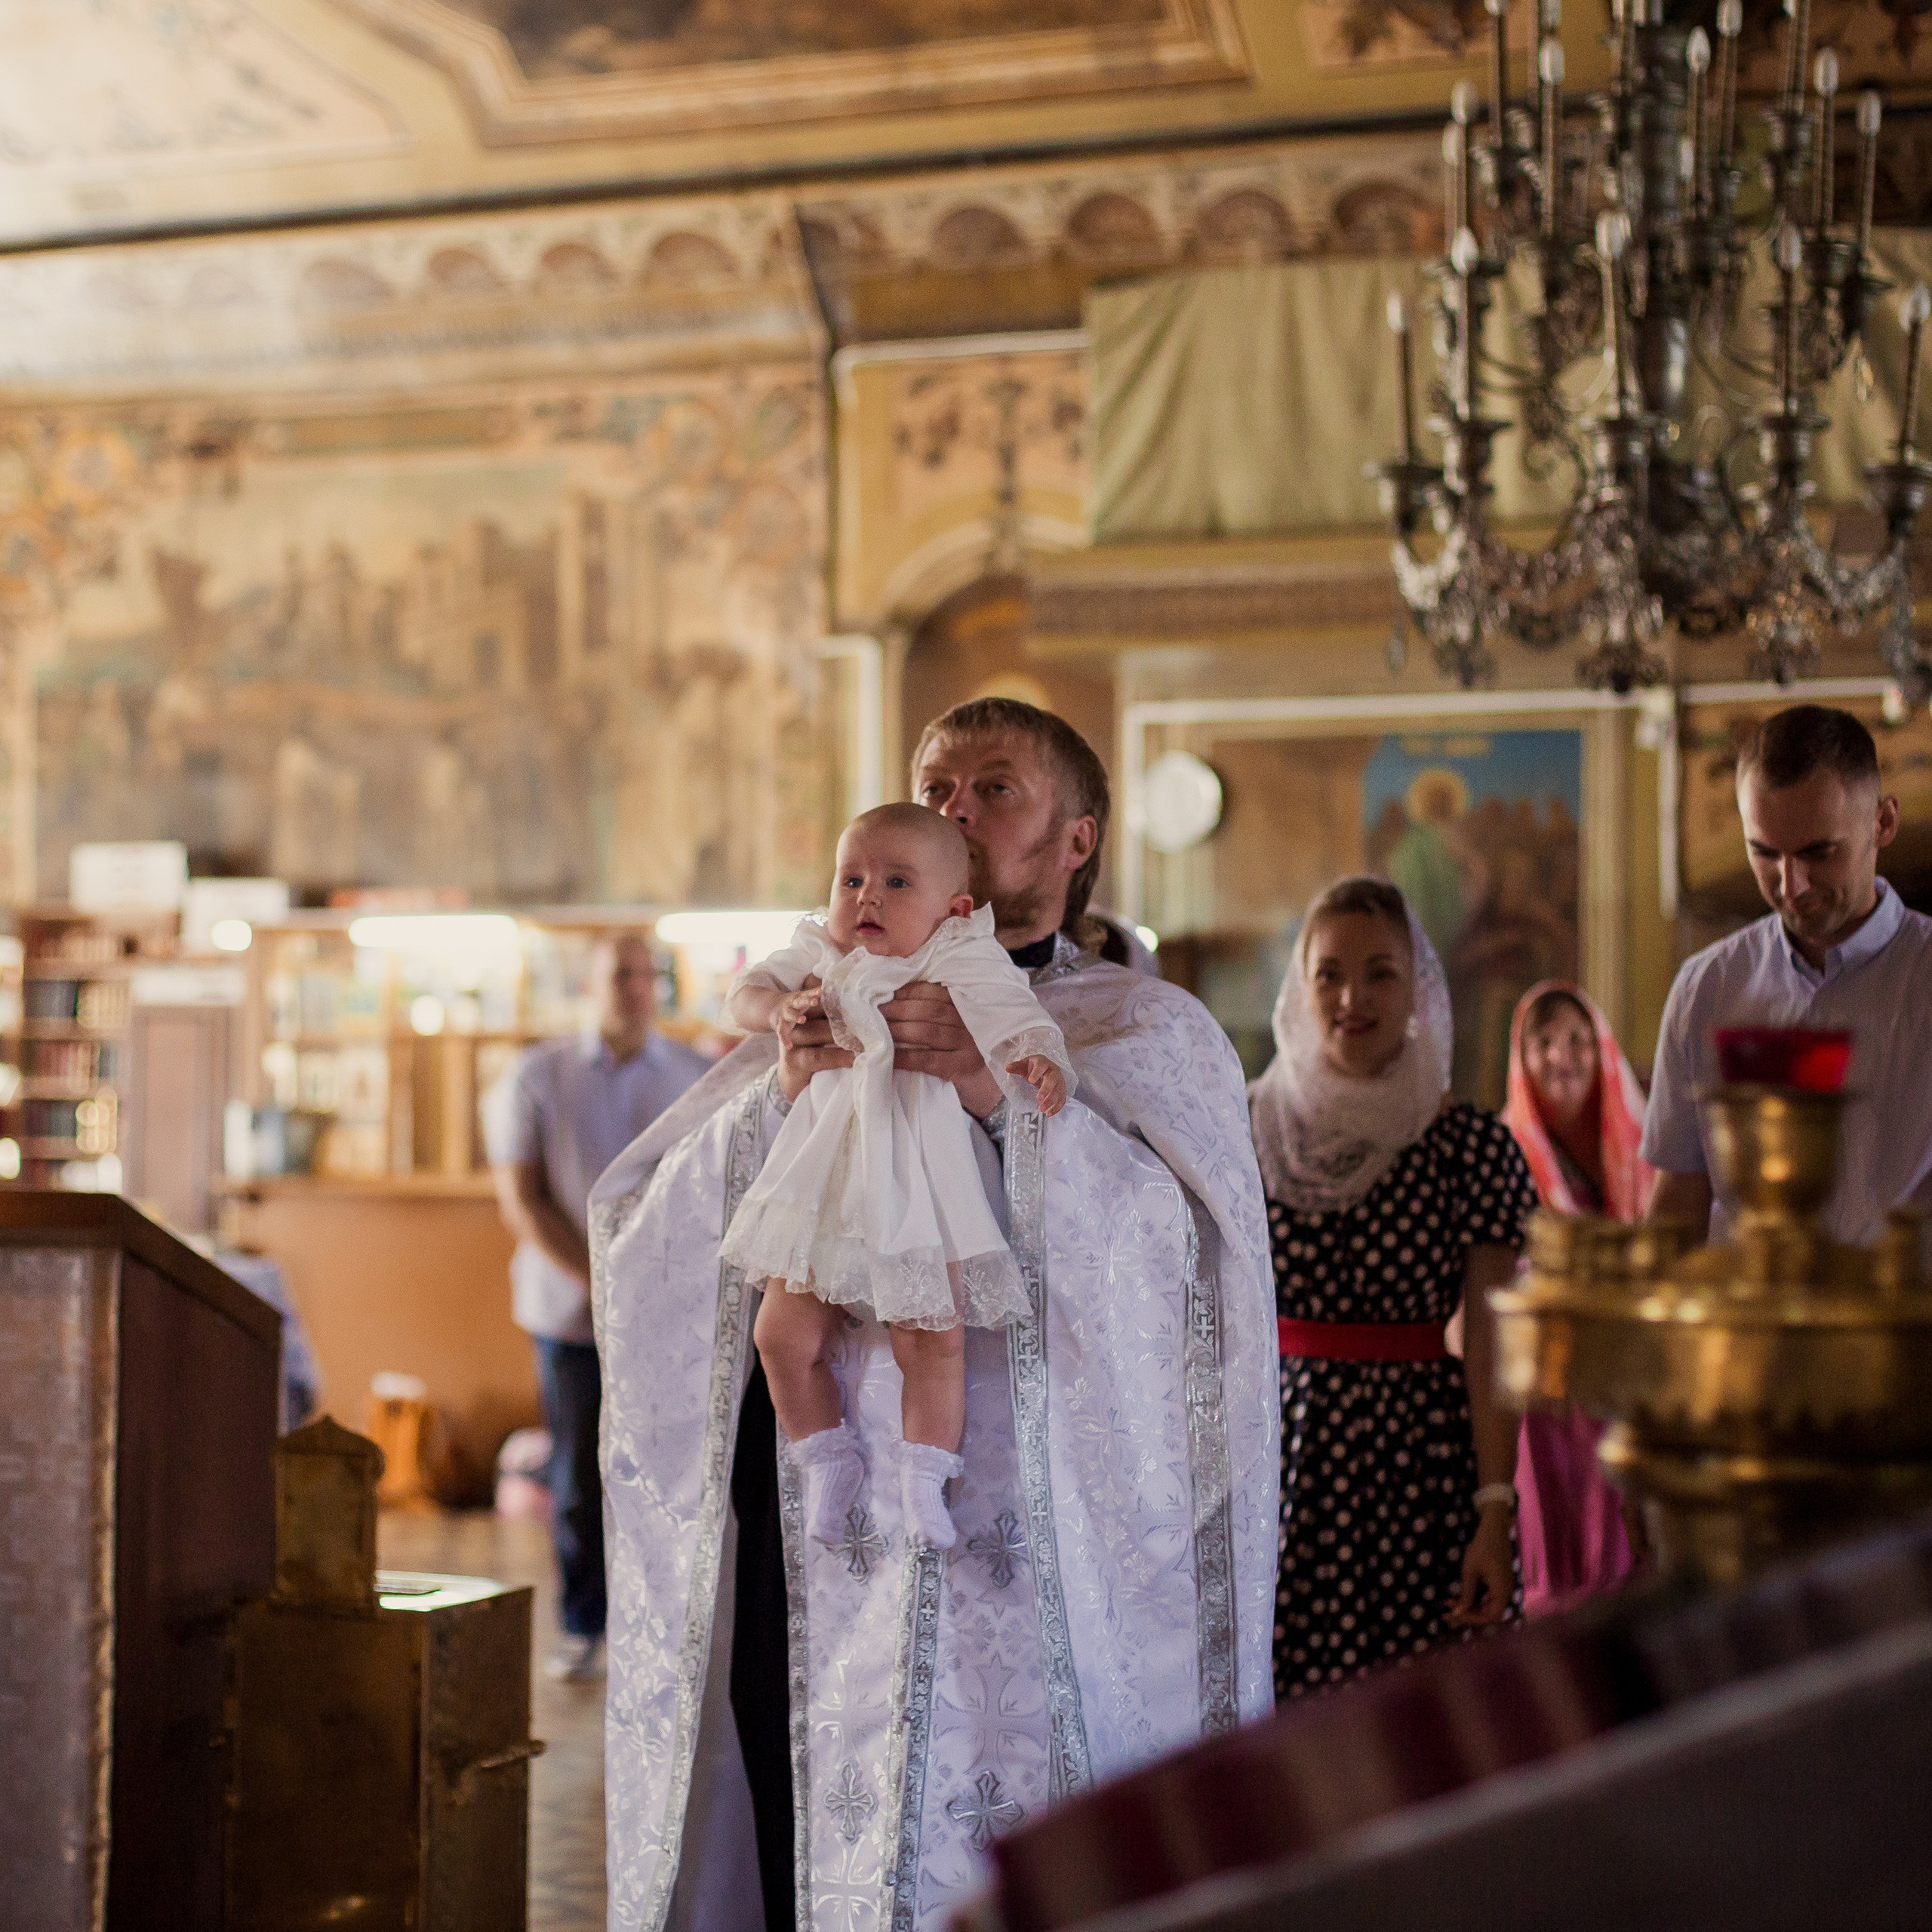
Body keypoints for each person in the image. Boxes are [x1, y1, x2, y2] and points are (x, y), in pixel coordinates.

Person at [592, 697, 1278, 1932]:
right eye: (935, 787)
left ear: (1077, 839)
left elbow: (1194, 1272)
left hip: (1028, 1557)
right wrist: (789, 1099)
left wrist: (990, 1097)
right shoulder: (825, 999)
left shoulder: (1146, 1030)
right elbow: (644, 1212)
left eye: (995, 790)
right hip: (827, 1547)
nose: (955, 810)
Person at [721, 804, 1071, 1552]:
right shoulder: (819, 951)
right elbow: (743, 994)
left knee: (930, 1339)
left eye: (896, 881)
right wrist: (778, 1008)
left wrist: (1042, 1056)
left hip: (920, 1185)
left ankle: (922, 1482)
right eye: (852, 878)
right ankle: (825, 1457)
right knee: (779, 1333)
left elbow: (1020, 1017)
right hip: (827, 1188)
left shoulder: (955, 956)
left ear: (955, 908)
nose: (867, 897)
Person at [1251, 875, 1538, 1700]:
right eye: (1329, 973)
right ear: (1299, 987)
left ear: (1418, 987)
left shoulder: (1466, 1145)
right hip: (1277, 1465)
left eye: (1380, 972)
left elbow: (1490, 1339)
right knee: (1281, 1731)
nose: (1352, 996)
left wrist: (1495, 1506)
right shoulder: (1241, 1129)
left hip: (1424, 1468)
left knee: (1431, 1718)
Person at [484, 932, 709, 1681]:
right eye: (621, 974)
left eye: (648, 975)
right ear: (591, 983)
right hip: (569, 1313)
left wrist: (654, 1283)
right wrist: (600, 1278)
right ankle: (584, 1624)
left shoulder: (693, 1072)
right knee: (580, 1475)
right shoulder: (538, 1074)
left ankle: (660, 1630)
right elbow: (523, 1198)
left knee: (666, 1472)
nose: (636, 987)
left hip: (666, 1313)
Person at [1644, 705, 1932, 1243]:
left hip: (1904, 1322)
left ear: (1883, 822)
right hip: (1747, 1321)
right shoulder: (1705, 987)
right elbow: (1678, 1202)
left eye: (1818, 853)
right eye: (1764, 854)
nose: (1792, 886)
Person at [1502, 981, 1649, 1616]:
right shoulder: (1504, 1153)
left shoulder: (1643, 1149)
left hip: (1630, 1375)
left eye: (1577, 1041)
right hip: (1547, 1394)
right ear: (1521, 1058)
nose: (1562, 1056)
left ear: (1602, 1050)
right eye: (1543, 1043)